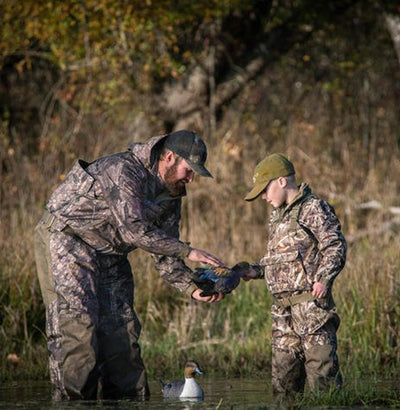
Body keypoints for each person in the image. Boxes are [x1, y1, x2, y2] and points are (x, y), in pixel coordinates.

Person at [34, 130, 224, 401]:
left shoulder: (172, 193)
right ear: (169, 157)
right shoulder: (123, 170)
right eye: (189, 170)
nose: (191, 179)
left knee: (123, 333)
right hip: (67, 238)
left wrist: (193, 287)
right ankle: (73, 404)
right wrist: (189, 251)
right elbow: (135, 231)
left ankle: (129, 402)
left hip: (111, 253)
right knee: (79, 329)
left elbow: (165, 249)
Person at [241, 153, 346, 397]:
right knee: (283, 384)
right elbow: (281, 263)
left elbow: (335, 245)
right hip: (282, 313)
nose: (264, 198)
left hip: (311, 310)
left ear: (281, 181)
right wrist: (252, 270)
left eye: (265, 190)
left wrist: (323, 278)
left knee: (323, 381)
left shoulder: (313, 208)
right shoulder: (277, 217)